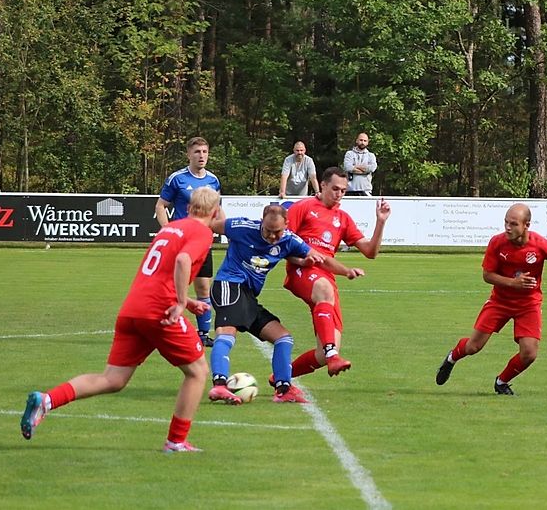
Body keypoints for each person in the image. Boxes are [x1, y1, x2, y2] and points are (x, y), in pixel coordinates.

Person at [20, 187, 222, 453]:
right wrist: (182, 301)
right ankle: (176, 441)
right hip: (158, 310)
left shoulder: (171, 227)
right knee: (197, 372)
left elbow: (160, 270)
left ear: (189, 208)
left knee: (113, 379)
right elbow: (183, 260)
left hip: (133, 307)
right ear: (215, 211)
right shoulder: (202, 232)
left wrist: (185, 300)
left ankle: (46, 400)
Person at [435, 203, 547, 395]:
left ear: (526, 225)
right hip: (499, 302)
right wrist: (513, 283)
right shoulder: (497, 242)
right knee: (473, 347)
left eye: (513, 224)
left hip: (529, 305)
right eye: (505, 222)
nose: (507, 228)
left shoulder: (540, 245)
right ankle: (452, 358)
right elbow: (487, 275)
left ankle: (501, 382)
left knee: (529, 353)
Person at [206, 204, 326, 405]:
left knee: (283, 338)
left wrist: (341, 270)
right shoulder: (240, 226)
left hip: (249, 296)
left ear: (286, 225)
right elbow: (208, 226)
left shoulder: (290, 239)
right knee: (226, 333)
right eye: (268, 231)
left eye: (277, 232)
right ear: (262, 222)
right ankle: (219, 385)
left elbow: (312, 254)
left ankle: (283, 389)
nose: (272, 236)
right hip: (228, 284)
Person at [282, 167, 390, 379]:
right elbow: (282, 243)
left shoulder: (343, 218)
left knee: (323, 351)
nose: (339, 194)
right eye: (335, 189)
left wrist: (380, 222)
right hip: (302, 270)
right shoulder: (302, 207)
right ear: (322, 185)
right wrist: (300, 260)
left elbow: (370, 252)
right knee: (324, 289)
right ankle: (333, 357)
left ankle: (280, 377)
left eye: (343, 190)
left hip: (326, 276)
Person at [155, 137, 222, 347]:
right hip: (181, 242)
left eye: (204, 151)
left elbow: (217, 209)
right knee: (173, 287)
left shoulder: (213, 180)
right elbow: (160, 206)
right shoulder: (177, 179)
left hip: (202, 243)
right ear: (188, 155)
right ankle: (165, 328)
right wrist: (168, 231)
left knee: (204, 288)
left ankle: (202, 335)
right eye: (197, 152)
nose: (201, 156)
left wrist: (222, 227)